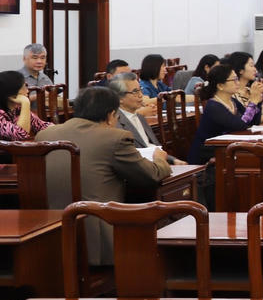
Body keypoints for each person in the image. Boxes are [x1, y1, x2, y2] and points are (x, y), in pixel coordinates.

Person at [36, 86, 171, 264]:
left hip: (50, 232)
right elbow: (151, 175)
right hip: (97, 236)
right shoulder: (115, 137)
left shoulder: (44, 134)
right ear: (110, 115)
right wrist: (160, 159)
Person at [187, 63, 263, 165]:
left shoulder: (232, 101)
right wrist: (253, 102)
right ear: (220, 86)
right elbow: (241, 125)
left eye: (237, 79)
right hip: (208, 157)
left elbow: (253, 122)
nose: (238, 83)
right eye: (234, 80)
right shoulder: (213, 106)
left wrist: (257, 101)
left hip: (226, 149)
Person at [108, 73, 181, 162]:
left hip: (157, 162)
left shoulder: (140, 117)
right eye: (135, 92)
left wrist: (173, 160)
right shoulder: (115, 122)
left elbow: (155, 147)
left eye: (140, 90)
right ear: (119, 98)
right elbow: (129, 158)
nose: (140, 95)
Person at [227, 51, 263, 122]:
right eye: (251, 66)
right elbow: (252, 119)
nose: (255, 69)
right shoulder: (232, 94)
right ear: (241, 70)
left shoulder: (250, 90)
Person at [0, 70, 51, 141]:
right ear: (11, 93)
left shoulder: (17, 110)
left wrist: (62, 129)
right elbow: (21, 135)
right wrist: (25, 103)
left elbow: (42, 126)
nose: (27, 91)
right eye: (24, 87)